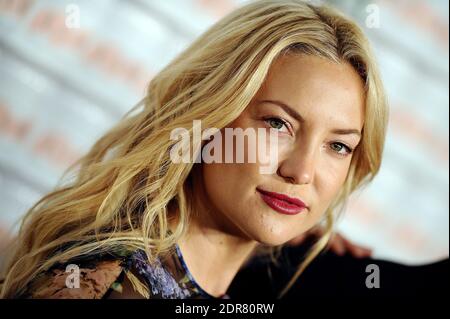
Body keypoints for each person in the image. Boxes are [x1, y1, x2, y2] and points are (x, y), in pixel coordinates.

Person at [0, 0, 389, 299]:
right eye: (276, 124)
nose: (302, 172)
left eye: (337, 146)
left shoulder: (241, 281)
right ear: (208, 117)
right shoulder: (109, 282)